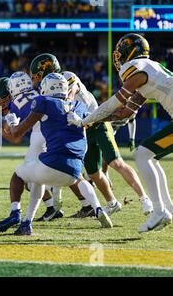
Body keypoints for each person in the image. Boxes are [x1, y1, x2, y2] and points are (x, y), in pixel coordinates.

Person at [67, 33, 173, 233]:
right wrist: (92, 122)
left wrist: (83, 120)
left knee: (142, 154)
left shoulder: (135, 68)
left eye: (121, 53)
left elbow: (113, 104)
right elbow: (123, 113)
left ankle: (159, 211)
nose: (119, 58)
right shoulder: (150, 70)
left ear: (131, 52)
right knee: (149, 155)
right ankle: (166, 208)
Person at [5, 73, 112, 235]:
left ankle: (25, 221)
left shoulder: (43, 102)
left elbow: (17, 133)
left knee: (20, 175)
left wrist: (12, 124)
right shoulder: (79, 106)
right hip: (73, 171)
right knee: (76, 179)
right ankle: (98, 209)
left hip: (52, 164)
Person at [63, 70, 153, 217]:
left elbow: (73, 91)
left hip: (99, 124)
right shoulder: (55, 86)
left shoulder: (70, 80)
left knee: (116, 163)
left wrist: (68, 102)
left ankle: (144, 199)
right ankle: (112, 203)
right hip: (86, 131)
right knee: (93, 173)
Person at [0, 72, 62, 234]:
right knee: (66, 174)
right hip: (57, 135)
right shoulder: (40, 93)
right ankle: (90, 206)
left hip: (40, 136)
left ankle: (17, 213)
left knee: (21, 176)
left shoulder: (16, 103)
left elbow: (16, 137)